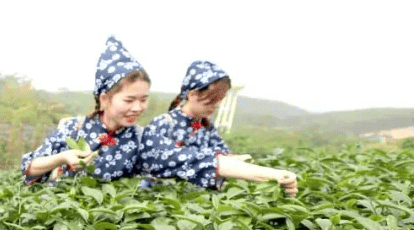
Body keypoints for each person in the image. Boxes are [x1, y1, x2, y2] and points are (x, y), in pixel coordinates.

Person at [139, 61, 298, 195]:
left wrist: (240, 162)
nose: (217, 105)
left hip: (196, 200)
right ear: (193, 94)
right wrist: (269, 174)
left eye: (220, 100)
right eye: (212, 100)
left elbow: (224, 158)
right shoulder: (163, 124)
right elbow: (201, 162)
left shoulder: (206, 127)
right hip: (162, 199)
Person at [21, 36, 150, 185]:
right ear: (104, 99)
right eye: (129, 100)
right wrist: (62, 158)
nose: (137, 108)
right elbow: (28, 169)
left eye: (144, 100)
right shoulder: (75, 128)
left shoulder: (142, 139)